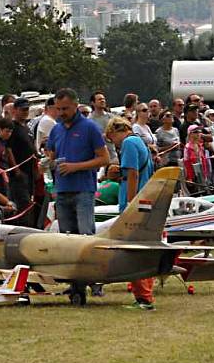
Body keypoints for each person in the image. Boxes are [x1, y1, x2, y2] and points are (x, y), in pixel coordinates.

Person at [104, 117, 155, 310]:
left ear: (116, 131)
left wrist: (130, 203)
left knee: (133, 251)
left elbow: (132, 173)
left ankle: (143, 298)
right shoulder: (139, 142)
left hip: (135, 203)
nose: (114, 144)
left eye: (112, 139)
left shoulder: (128, 143)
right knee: (143, 249)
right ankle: (144, 295)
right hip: (145, 201)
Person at [45, 88, 109, 236]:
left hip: (83, 190)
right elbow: (51, 156)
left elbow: (104, 158)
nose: (61, 113)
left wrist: (76, 167)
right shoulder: (56, 129)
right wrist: (46, 163)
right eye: (58, 109)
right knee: (66, 236)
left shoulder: (90, 127)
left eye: (65, 108)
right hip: (61, 190)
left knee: (85, 234)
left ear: (76, 105)